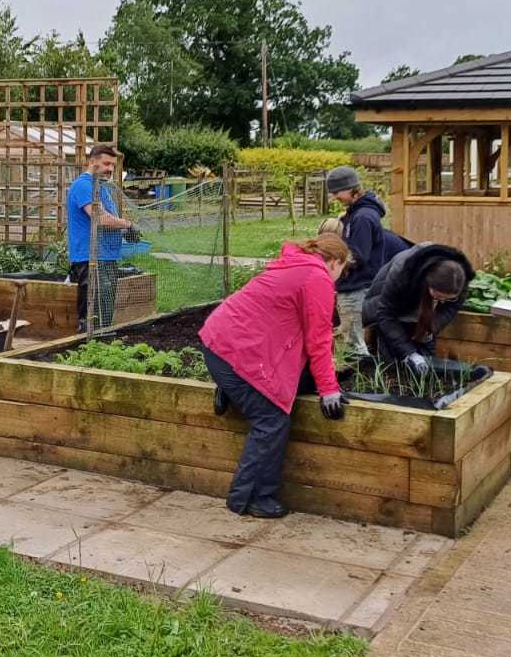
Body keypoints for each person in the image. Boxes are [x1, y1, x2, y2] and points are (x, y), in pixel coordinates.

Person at [200, 234, 350, 519]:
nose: (341, 277)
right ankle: (249, 498)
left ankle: (230, 391)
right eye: (343, 269)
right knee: (271, 421)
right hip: (236, 354)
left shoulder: (296, 264)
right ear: (335, 261)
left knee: (287, 390)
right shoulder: (317, 278)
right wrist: (329, 390)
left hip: (222, 345)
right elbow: (318, 341)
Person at [325, 165, 410, 362]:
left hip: (356, 286)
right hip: (357, 285)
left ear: (351, 189)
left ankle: (356, 382)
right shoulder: (358, 213)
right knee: (354, 340)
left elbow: (358, 254)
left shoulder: (363, 217)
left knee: (353, 346)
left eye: (337, 192)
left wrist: (332, 262)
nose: (335, 196)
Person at [362, 242, 473, 377]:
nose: (442, 301)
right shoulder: (402, 271)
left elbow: (450, 308)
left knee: (426, 365)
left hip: (423, 317)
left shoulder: (459, 278)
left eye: (449, 298)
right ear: (428, 283)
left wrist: (431, 328)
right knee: (394, 366)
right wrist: (410, 354)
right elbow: (386, 315)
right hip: (392, 313)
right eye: (438, 296)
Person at [66, 145, 139, 332]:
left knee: (104, 315)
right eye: (106, 163)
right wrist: (127, 224)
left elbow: (107, 220)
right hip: (90, 259)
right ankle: (85, 350)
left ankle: (99, 346)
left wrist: (123, 231)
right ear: (92, 161)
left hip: (105, 257)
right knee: (92, 316)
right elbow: (100, 218)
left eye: (113, 165)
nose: (110, 169)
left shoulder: (101, 188)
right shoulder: (83, 185)